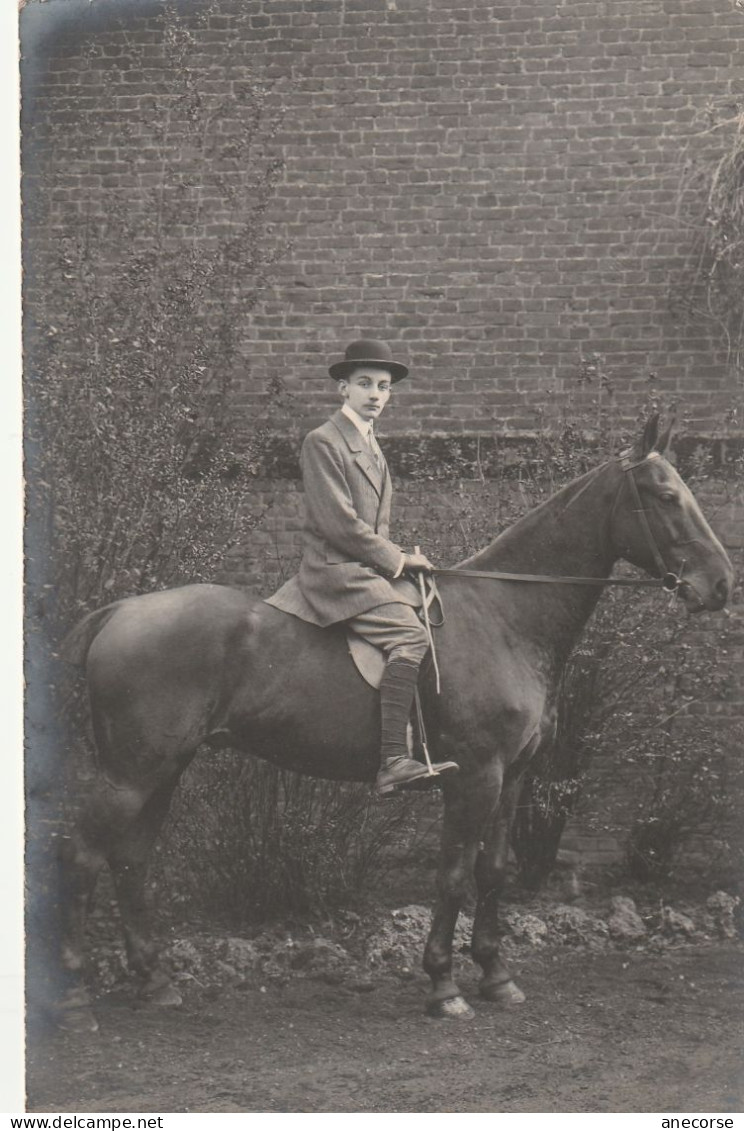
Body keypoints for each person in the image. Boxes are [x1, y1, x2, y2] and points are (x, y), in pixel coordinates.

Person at [265, 338, 458, 793]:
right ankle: (393, 758)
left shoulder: (372, 445)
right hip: (335, 570)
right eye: (365, 384)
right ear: (342, 389)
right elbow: (340, 525)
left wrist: (401, 566)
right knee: (409, 634)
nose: (375, 395)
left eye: (384, 387)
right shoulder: (324, 441)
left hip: (364, 569)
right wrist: (398, 559)